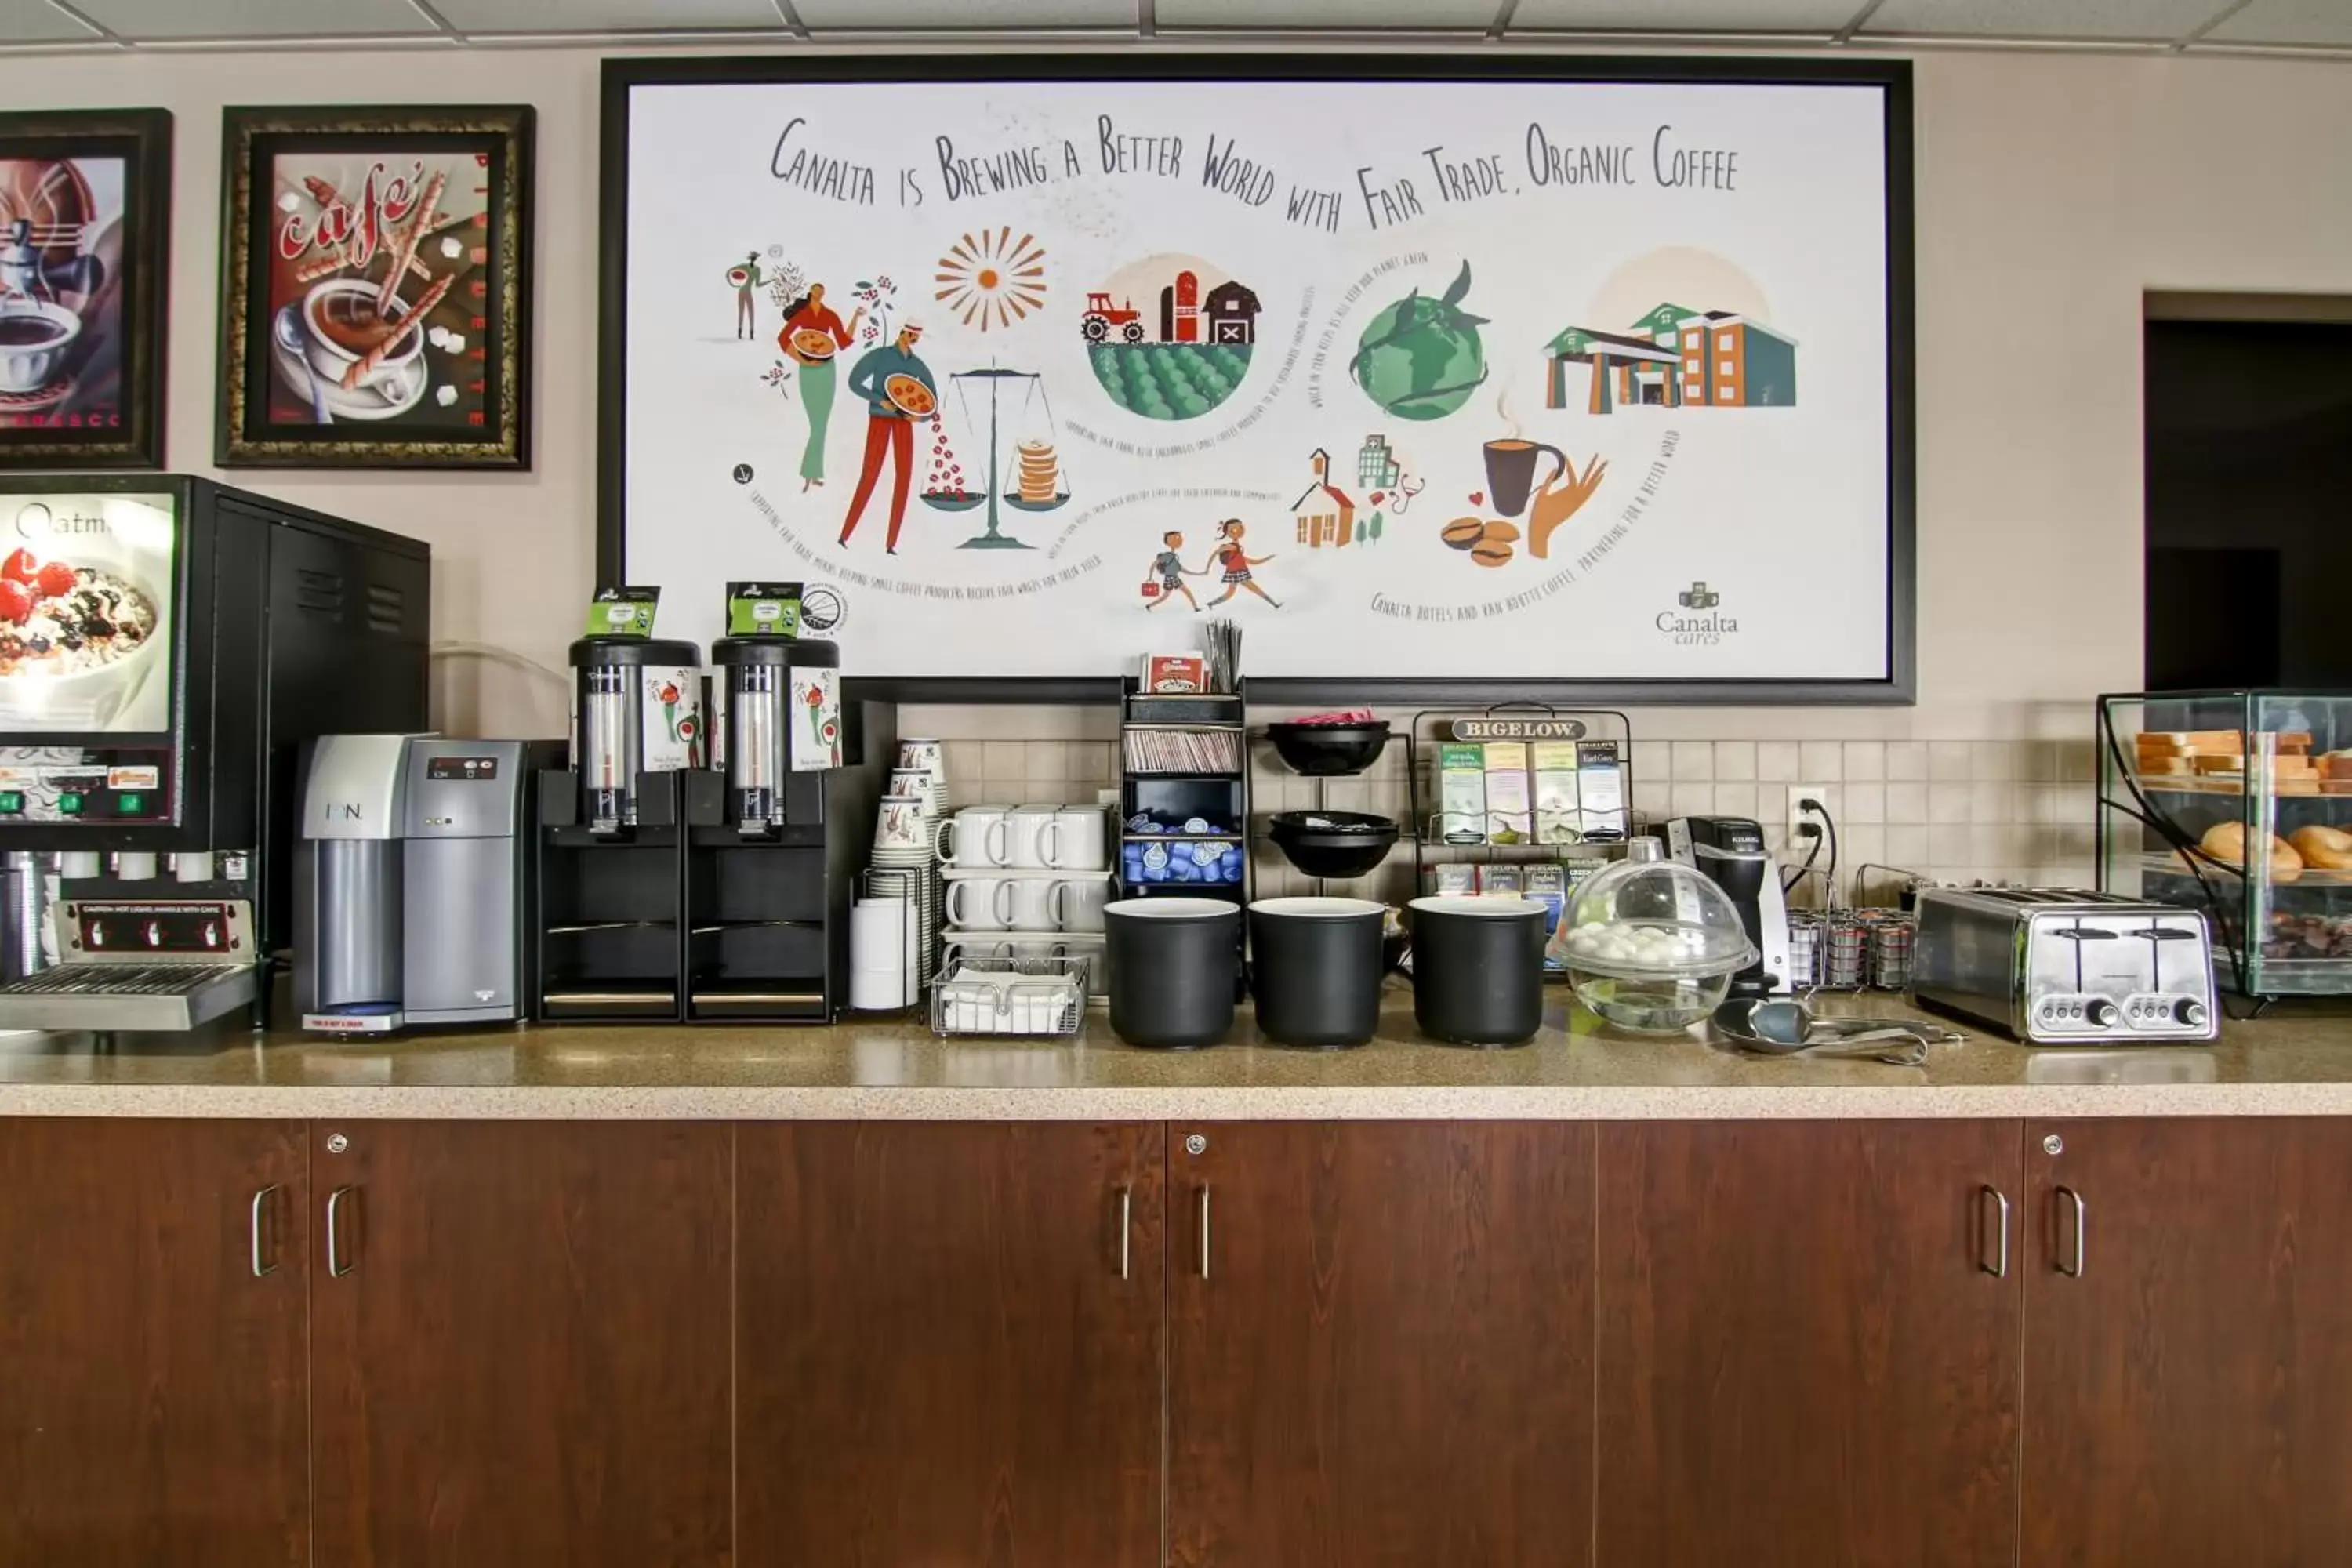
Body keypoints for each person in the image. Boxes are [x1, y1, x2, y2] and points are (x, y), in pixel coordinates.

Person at [838, 323, 936, 555]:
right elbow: (854, 382)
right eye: (911, 334)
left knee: (904, 477)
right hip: (879, 419)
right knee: (870, 473)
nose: (912, 339)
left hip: (904, 422)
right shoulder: (880, 356)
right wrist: (878, 400)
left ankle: (891, 544)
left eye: (916, 337)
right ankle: (845, 534)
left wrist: (919, 419)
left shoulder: (916, 364)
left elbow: (932, 403)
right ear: (902, 332)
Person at [778, 281, 864, 491]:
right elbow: (782, 338)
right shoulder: (803, 315)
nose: (819, 293)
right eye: (816, 290)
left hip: (827, 369)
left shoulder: (830, 316)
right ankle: (810, 472)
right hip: (807, 370)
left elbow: (843, 341)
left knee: (821, 423)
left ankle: (811, 473)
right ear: (810, 293)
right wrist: (802, 360)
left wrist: (856, 317)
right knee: (816, 424)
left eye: (822, 291)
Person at [1202, 519, 1279, 608]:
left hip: (1238, 573)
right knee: (1254, 590)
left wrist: (1268, 558)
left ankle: (1210, 604)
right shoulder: (1232, 547)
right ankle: (1275, 605)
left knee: (1230, 594)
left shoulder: (1237, 550)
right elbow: (1215, 553)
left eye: (1241, 527)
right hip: (1237, 573)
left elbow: (1253, 562)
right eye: (1234, 529)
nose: (1240, 530)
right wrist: (1207, 569)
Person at [1145, 529, 1200, 611]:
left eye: (1179, 538)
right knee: (1185, 592)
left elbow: (1182, 569)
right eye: (1176, 539)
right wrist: (1150, 577)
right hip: (1172, 578)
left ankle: (1149, 606)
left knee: (1166, 596)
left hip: (1171, 578)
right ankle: (1196, 608)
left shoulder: (1174, 556)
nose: (1179, 540)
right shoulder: (1168, 556)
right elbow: (1154, 565)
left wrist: (1198, 574)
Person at [728, 252, 764, 339]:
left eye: (754, 257)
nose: (753, 259)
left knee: (749, 312)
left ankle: (750, 333)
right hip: (742, 291)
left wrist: (769, 281)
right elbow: (730, 271)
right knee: (743, 312)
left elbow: (758, 284)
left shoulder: (757, 269)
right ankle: (741, 333)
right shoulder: (744, 267)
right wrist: (733, 284)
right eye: (752, 257)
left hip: (746, 291)